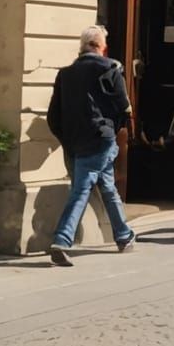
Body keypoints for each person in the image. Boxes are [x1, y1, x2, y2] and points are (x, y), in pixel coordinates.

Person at [46, 24, 136, 265]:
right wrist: (113, 130)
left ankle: (124, 235)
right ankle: (62, 240)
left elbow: (53, 116)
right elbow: (124, 106)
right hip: (100, 138)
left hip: (74, 141)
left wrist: (66, 138)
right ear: (101, 47)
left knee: (105, 185)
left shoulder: (65, 74)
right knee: (83, 190)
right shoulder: (110, 68)